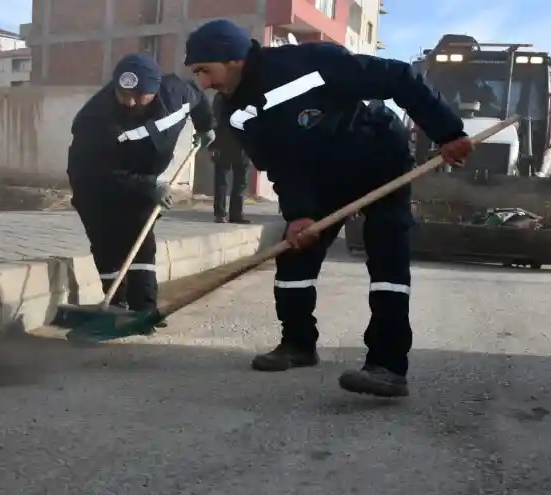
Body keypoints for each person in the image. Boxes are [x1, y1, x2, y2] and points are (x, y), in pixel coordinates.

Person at [184, 20, 474, 397]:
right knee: (295, 258)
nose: (204, 83)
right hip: (318, 178)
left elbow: (399, 77)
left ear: (235, 59)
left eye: (205, 70)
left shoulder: (310, 62)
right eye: (197, 74)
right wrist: (300, 212)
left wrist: (447, 131)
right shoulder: (234, 112)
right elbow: (277, 164)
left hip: (377, 158)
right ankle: (298, 344)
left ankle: (387, 365)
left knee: (387, 257)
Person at [68, 52, 216, 326]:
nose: (130, 101)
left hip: (143, 176)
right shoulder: (95, 119)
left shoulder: (176, 93)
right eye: (123, 94)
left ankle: (143, 309)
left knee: (141, 237)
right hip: (94, 183)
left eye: (139, 95)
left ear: (155, 89)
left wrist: (207, 127)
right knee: (107, 242)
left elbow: (197, 98)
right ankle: (115, 305)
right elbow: (98, 171)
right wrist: (149, 185)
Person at [210, 92, 252, 224]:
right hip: (225, 143)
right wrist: (214, 144)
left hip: (244, 144)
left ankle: (236, 214)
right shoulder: (222, 97)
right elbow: (215, 120)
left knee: (242, 180)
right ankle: (220, 213)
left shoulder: (250, 95)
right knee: (222, 180)